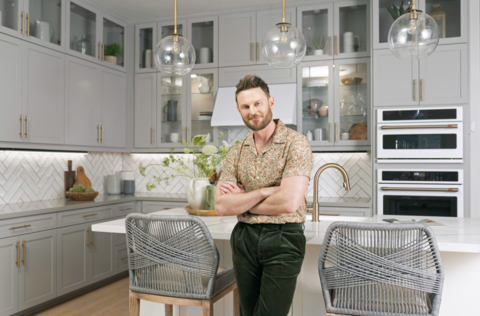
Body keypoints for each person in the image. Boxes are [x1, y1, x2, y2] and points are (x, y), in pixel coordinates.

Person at [215, 75, 313, 316]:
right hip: (244, 239)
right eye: (246, 106)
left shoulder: (296, 144)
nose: (253, 111)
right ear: (238, 110)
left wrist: (242, 200)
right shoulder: (237, 151)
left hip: (283, 239)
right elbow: (221, 206)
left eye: (258, 103)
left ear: (270, 102)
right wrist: (264, 191)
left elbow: (289, 203)